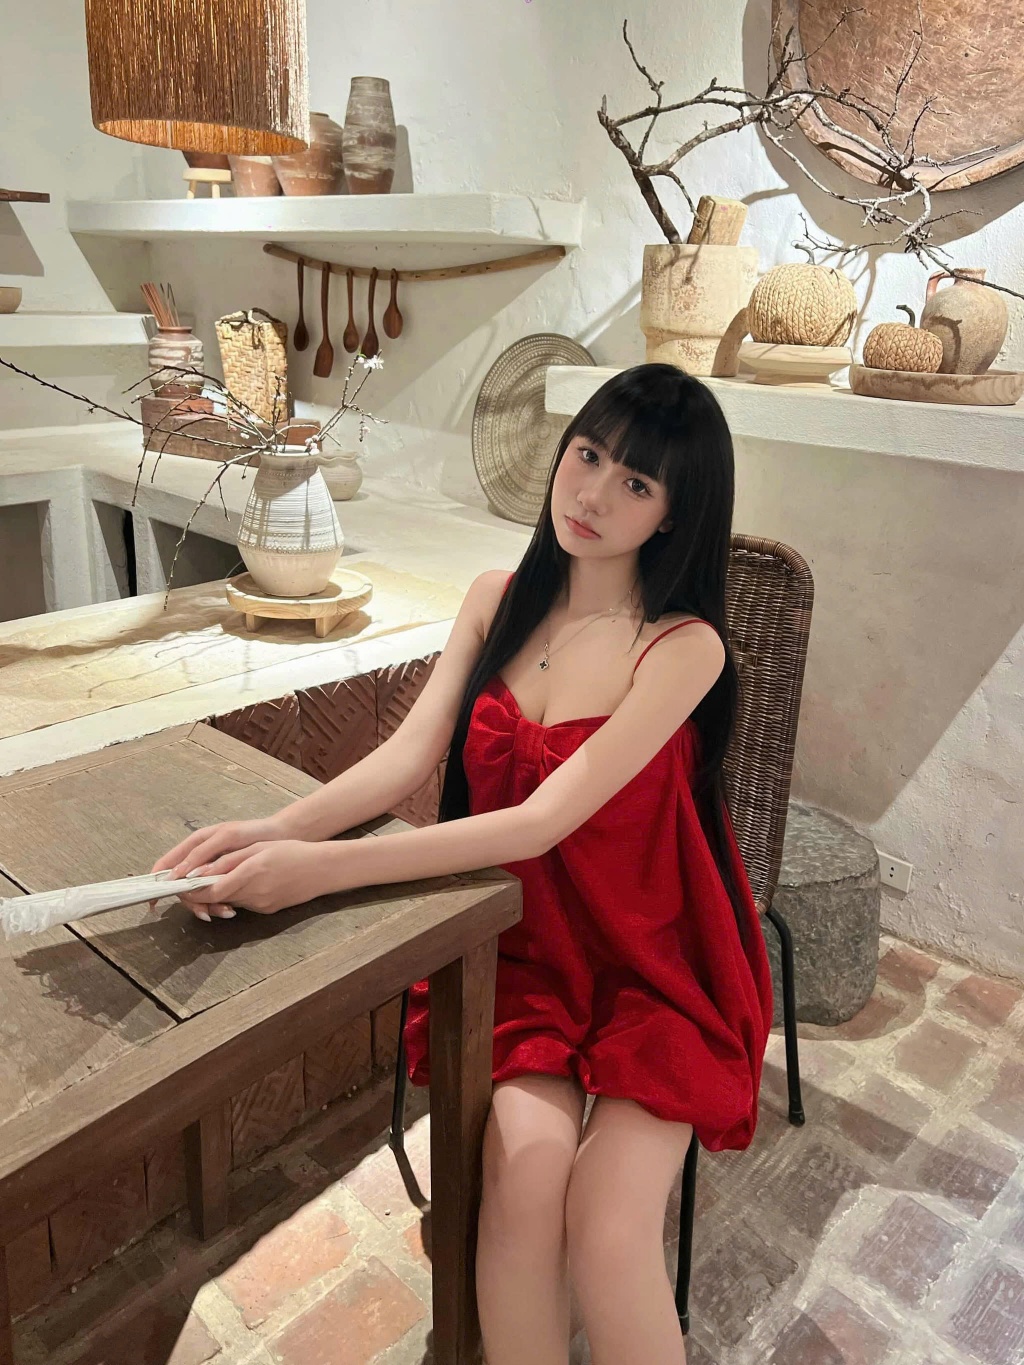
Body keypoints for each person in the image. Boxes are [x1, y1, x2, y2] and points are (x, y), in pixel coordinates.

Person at [153, 363, 773, 1365]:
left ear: (673, 513)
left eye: (636, 483)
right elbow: (407, 759)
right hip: (525, 953)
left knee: (608, 1227)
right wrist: (278, 830)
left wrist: (319, 873)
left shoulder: (682, 648)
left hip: (656, 966)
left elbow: (539, 823)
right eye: (588, 455)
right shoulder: (497, 601)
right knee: (522, 1178)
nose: (592, 494)